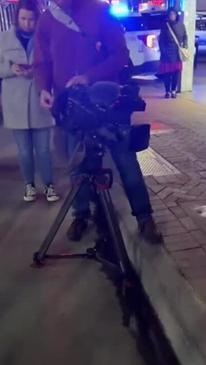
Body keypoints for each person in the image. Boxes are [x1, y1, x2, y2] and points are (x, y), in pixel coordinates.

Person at [34, 0, 163, 244]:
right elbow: (42, 62)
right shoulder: (47, 19)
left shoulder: (100, 12)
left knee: (125, 158)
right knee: (77, 163)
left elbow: (120, 55)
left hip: (107, 101)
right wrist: (43, 88)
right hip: (71, 106)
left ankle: (145, 218)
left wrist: (88, 76)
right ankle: (81, 215)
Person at [0, 0, 59, 202]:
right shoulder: (4, 39)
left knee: (43, 149)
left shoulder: (45, 37)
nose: (27, 23)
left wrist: (39, 71)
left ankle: (49, 184)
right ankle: (29, 185)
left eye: (31, 19)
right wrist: (11, 69)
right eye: (23, 19)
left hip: (40, 100)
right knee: (24, 151)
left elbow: (53, 64)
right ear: (17, 18)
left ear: (38, 19)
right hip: (14, 103)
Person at [159, 7, 188, 99]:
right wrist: (163, 50)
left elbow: (185, 36)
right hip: (166, 53)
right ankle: (167, 91)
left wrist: (184, 46)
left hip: (176, 53)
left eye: (173, 14)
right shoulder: (165, 25)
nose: (172, 16)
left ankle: (173, 91)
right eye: (170, 14)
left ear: (176, 15)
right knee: (167, 73)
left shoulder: (181, 25)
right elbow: (161, 40)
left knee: (176, 73)